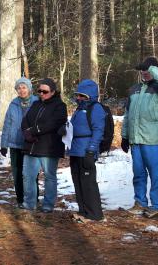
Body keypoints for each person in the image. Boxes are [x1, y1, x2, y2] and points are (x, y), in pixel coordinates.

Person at [121, 56, 158, 218]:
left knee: (155, 174)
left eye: (148, 70)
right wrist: (124, 136)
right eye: (143, 70)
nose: (144, 73)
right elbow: (128, 115)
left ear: (155, 70)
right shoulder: (134, 89)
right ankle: (140, 203)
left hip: (152, 140)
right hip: (136, 140)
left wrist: (151, 67)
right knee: (138, 173)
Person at [21, 78, 67, 212]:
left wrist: (34, 131)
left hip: (49, 147)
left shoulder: (60, 106)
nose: (41, 93)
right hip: (32, 146)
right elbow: (26, 120)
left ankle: (48, 205)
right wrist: (26, 132)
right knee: (28, 176)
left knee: (49, 177)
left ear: (53, 92)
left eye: (45, 91)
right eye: (39, 91)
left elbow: (54, 123)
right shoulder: (36, 104)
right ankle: (29, 203)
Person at [69, 79, 106, 223]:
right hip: (75, 151)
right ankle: (83, 211)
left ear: (89, 95)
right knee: (78, 181)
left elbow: (98, 131)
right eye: (77, 95)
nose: (78, 98)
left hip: (86, 151)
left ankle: (95, 214)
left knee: (88, 183)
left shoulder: (96, 108)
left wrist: (91, 151)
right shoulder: (78, 109)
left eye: (81, 95)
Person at [0, 77, 39, 207]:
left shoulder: (37, 102)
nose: (21, 90)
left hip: (31, 144)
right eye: (19, 88)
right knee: (17, 174)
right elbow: (7, 124)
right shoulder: (13, 103)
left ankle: (33, 200)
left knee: (31, 174)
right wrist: (4, 144)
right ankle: (21, 200)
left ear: (29, 88)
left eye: (24, 87)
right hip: (15, 144)